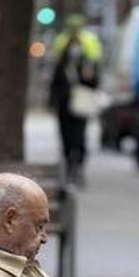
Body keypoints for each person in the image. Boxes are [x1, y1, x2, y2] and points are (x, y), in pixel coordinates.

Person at [49, 15, 103, 185]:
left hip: (81, 105)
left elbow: (95, 82)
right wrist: (51, 102)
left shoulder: (87, 63)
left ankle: (78, 166)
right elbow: (55, 82)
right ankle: (68, 165)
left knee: (79, 137)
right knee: (65, 136)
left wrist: (89, 77)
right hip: (64, 104)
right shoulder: (62, 63)